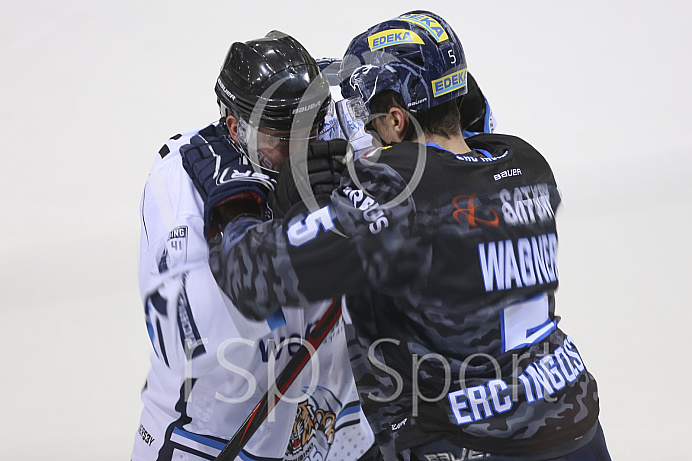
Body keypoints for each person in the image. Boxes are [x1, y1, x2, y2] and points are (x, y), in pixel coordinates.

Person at [208, 10, 611, 461]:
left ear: (397, 120)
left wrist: (240, 200)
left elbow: (250, 275)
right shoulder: (526, 162)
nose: (361, 128)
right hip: (576, 424)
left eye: (370, 115)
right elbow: (458, 170)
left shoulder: (395, 188)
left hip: (468, 443)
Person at [131, 30, 381, 461]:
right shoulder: (180, 181)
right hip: (210, 440)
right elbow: (184, 343)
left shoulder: (329, 129)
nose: (302, 148)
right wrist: (283, 231)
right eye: (283, 138)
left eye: (312, 125)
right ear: (235, 127)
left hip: (332, 431)